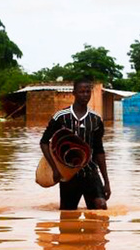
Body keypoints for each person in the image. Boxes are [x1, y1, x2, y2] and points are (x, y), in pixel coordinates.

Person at [40, 78, 111, 210]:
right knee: (67, 215)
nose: (85, 95)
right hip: (68, 175)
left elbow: (99, 150)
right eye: (81, 92)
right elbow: (44, 142)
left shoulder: (95, 119)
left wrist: (106, 181)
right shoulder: (61, 117)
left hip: (90, 173)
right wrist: (55, 169)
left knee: (101, 207)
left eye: (87, 92)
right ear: (74, 93)